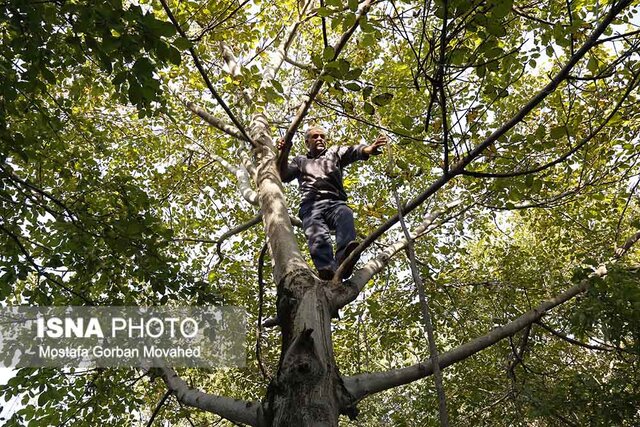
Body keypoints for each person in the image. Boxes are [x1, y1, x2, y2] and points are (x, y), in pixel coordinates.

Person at [277, 126, 387, 280]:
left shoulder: (333, 153)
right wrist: (285, 151)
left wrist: (368, 149)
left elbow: (352, 151)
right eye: (315, 137)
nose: (320, 139)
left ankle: (344, 258)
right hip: (311, 205)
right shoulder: (300, 161)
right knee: (317, 235)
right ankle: (327, 268)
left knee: (345, 213)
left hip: (334, 202)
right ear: (307, 142)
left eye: (322, 136)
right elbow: (283, 175)